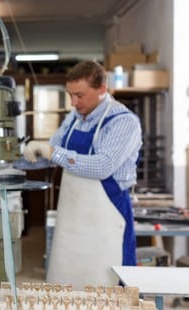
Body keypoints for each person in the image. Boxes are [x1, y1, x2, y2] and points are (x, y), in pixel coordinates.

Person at [14, 60, 142, 289]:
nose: (73, 102)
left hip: (107, 214)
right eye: (70, 94)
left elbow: (102, 166)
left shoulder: (123, 122)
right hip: (73, 216)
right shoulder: (74, 119)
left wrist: (53, 152)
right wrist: (16, 159)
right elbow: (50, 154)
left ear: (102, 89)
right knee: (67, 285)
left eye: (80, 95)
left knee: (107, 286)